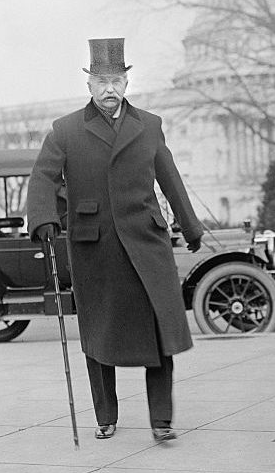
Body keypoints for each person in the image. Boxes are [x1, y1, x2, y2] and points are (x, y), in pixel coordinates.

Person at [27, 37, 203, 443]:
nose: (110, 89)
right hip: (95, 246)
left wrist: (190, 227)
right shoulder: (66, 131)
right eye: (101, 80)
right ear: (88, 84)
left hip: (146, 241)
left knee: (160, 331)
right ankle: (105, 416)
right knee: (99, 335)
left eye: (117, 80)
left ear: (127, 82)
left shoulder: (149, 125)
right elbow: (43, 177)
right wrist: (43, 219)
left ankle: (162, 421)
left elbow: (170, 178)